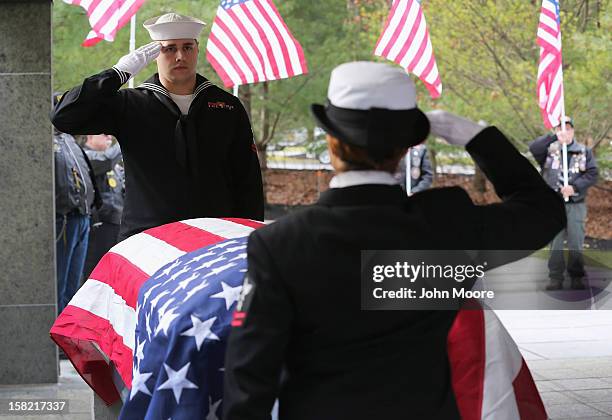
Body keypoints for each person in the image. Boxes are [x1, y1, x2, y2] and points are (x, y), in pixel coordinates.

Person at [223, 62, 566, 420]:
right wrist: (478, 138)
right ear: (405, 149)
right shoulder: (448, 225)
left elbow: (250, 378)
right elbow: (544, 211)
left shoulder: (281, 244)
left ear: (332, 139)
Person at [51, 13, 264, 241]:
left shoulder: (227, 106)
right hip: (147, 241)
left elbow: (247, 180)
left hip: (214, 237)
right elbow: (64, 116)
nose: (180, 56)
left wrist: (250, 237)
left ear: (197, 49)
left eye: (187, 47)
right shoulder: (130, 104)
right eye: (170, 48)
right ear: (154, 54)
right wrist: (118, 73)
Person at [529, 116, 598, 290]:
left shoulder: (583, 151)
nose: (565, 132)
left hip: (576, 203)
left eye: (567, 128)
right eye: (561, 128)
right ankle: (555, 277)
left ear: (573, 130)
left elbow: (592, 173)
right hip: (554, 204)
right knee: (555, 242)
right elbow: (533, 147)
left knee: (576, 240)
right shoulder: (549, 150)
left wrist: (574, 187)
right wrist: (554, 136)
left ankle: (576, 277)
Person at [53, 93, 101, 313]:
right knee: (59, 284)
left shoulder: (69, 139)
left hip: (83, 217)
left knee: (75, 284)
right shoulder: (50, 141)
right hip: (64, 219)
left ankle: (68, 337)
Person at [82, 134, 124, 280]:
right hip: (99, 225)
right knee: (95, 274)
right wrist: (125, 139)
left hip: (116, 225)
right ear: (90, 137)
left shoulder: (114, 164)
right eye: (104, 133)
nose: (109, 136)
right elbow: (107, 160)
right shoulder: (87, 157)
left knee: (114, 273)